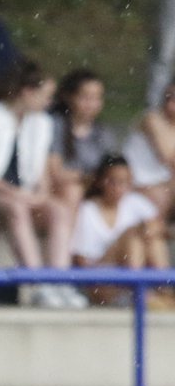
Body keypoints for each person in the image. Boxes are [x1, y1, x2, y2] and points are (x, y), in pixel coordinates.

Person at [0, 58, 87, 309]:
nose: (50, 102)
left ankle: (60, 281)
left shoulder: (42, 122)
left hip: (23, 195)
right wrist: (16, 193)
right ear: (27, 92)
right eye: (46, 95)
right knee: (16, 208)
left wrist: (41, 195)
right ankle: (38, 283)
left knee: (59, 211)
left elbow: (42, 174)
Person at [70, 154, 174, 308]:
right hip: (102, 283)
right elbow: (83, 262)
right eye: (113, 181)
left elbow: (160, 229)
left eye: (124, 182)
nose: (118, 188)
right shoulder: (87, 211)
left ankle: (160, 291)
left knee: (152, 239)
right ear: (100, 181)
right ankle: (144, 291)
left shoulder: (136, 202)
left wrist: (148, 230)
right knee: (133, 235)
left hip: (127, 278)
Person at [47, 68, 117, 214]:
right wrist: (86, 177)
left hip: (92, 189)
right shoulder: (55, 126)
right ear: (68, 97)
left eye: (97, 98)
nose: (92, 104)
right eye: (86, 97)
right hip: (59, 191)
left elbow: (112, 169)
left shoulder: (103, 133)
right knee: (73, 191)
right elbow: (55, 172)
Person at [122, 77, 175, 220]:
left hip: (158, 182)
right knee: (164, 194)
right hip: (134, 181)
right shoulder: (152, 119)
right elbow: (168, 158)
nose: (170, 105)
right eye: (168, 98)